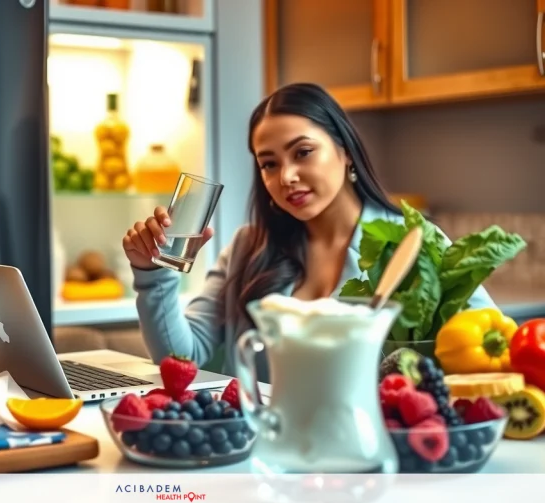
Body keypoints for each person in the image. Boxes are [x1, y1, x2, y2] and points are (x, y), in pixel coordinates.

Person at [121, 83, 497, 382]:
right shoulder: (247, 248)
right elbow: (182, 358)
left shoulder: (411, 245)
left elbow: (491, 346)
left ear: (345, 150)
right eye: (269, 163)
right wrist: (154, 276)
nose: (286, 177)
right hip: (262, 453)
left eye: (302, 152)